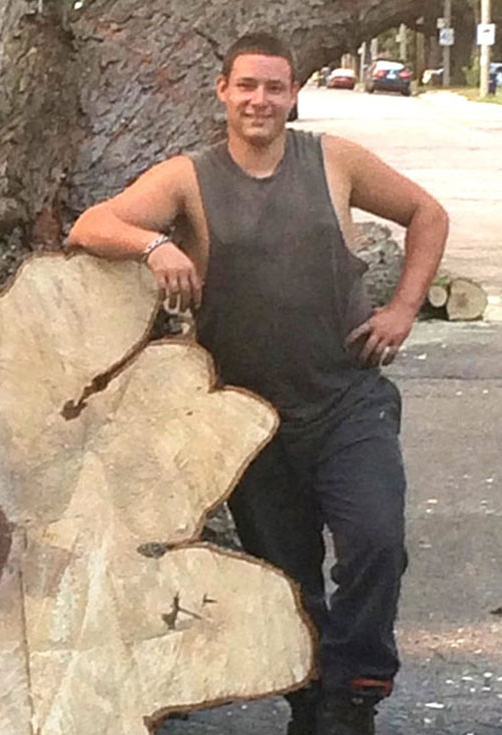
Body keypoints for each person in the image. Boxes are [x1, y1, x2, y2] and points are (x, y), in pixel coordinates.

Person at [67, 33, 447, 735]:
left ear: (292, 94)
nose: (259, 100)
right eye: (246, 86)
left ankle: (356, 684)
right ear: (222, 92)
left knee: (374, 541)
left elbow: (427, 214)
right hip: (248, 415)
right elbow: (92, 224)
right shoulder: (189, 176)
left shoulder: (331, 161)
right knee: (284, 571)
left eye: (274, 87)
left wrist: (401, 308)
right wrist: (156, 245)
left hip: (345, 397)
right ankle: (310, 697)